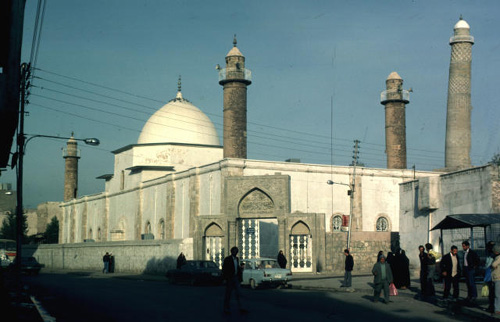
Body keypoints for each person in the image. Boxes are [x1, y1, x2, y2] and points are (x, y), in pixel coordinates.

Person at [222, 246, 246, 315]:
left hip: (236, 278)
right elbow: (224, 269)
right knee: (228, 294)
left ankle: (241, 307)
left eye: (236, 251)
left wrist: (240, 276)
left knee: (239, 293)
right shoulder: (227, 259)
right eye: (234, 251)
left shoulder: (237, 259)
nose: (235, 253)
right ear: (231, 252)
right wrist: (225, 278)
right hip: (230, 278)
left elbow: (237, 268)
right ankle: (226, 308)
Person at [485, 241, 496, 312]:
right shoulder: (490, 255)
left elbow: (489, 265)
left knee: (493, 293)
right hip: (490, 275)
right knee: (492, 292)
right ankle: (492, 306)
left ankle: (493, 307)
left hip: (492, 275)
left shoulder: (493, 256)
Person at [490, 244, 500, 315]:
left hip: (498, 278)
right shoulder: (496, 257)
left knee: (497, 295)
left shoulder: (499, 257)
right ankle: (495, 308)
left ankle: (497, 309)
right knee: (495, 294)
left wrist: (493, 265)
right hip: (495, 278)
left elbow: (493, 265)